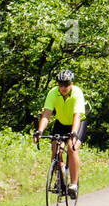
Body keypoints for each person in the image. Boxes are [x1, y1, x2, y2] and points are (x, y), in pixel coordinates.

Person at [34, 70, 87, 199]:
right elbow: (46, 114)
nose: (63, 87)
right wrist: (40, 131)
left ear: (71, 83)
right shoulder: (53, 93)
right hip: (61, 122)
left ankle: (73, 184)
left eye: (66, 84)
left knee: (71, 148)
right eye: (61, 84)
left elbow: (77, 116)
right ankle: (60, 173)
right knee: (55, 148)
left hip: (78, 123)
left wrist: (73, 133)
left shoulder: (77, 93)